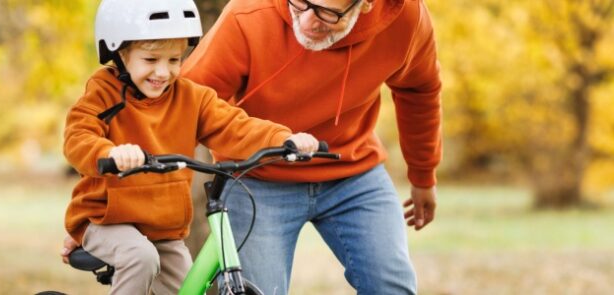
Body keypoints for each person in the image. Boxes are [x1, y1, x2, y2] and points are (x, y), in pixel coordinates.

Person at [178, 0, 443, 293]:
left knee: (391, 286)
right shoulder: (248, 15)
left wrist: (423, 175)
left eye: (327, 12)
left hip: (352, 173)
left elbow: (420, 90)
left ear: (365, 5)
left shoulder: (405, 17)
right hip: (257, 179)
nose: (305, 22)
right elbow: (184, 107)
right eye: (300, 3)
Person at [61, 0, 319, 294]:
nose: (163, 72)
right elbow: (78, 136)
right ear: (121, 53)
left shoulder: (191, 97)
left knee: (191, 287)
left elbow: (234, 126)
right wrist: (108, 153)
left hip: (164, 229)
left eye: (174, 60)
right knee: (140, 258)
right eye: (151, 60)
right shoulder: (103, 92)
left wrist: (282, 139)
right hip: (105, 219)